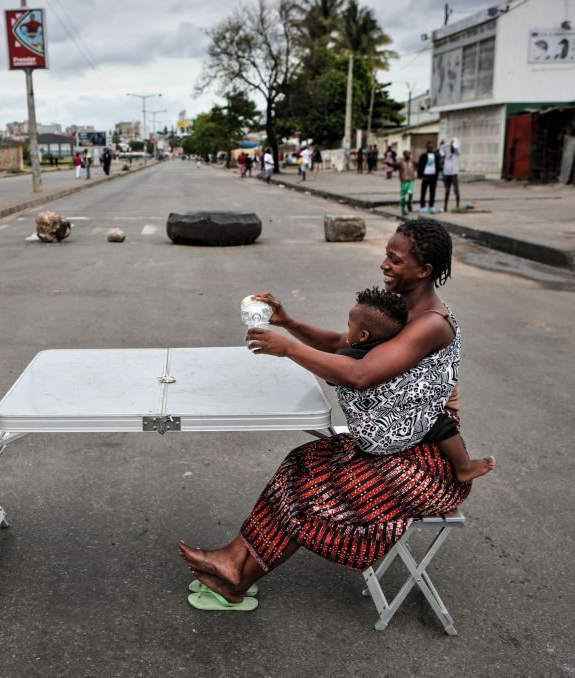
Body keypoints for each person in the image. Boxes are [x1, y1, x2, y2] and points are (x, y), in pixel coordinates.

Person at [178, 219, 474, 608]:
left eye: (395, 260)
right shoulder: (401, 311)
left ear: (424, 271)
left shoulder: (430, 325)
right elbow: (343, 345)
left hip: (425, 463)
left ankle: (238, 578)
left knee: (313, 495)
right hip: (390, 447)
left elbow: (361, 373)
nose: (384, 265)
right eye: (385, 255)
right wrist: (288, 322)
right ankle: (234, 559)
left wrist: (287, 349)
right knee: (298, 464)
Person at [333, 286, 494, 482]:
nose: (347, 331)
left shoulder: (349, 356)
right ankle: (463, 466)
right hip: (390, 430)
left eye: (349, 326)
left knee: (435, 418)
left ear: (363, 336)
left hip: (369, 437)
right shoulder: (389, 352)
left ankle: (463, 467)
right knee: (439, 421)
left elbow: (338, 374)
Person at [416, 141, 442, 213]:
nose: (431, 148)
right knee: (423, 192)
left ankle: (431, 206)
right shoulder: (423, 156)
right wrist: (419, 175)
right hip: (425, 175)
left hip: (433, 176)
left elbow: (438, 165)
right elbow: (420, 166)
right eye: (429, 147)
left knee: (432, 192)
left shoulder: (436, 156)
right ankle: (422, 206)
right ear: (427, 148)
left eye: (432, 147)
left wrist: (437, 174)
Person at [441, 138, 461, 212]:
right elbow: (441, 151)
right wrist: (444, 144)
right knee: (447, 190)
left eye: (452, 146)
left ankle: (457, 205)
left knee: (456, 190)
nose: (451, 147)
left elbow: (456, 147)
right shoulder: (447, 151)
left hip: (454, 173)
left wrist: (453, 144)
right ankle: (445, 206)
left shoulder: (457, 153)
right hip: (446, 173)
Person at [396, 149, 416, 216]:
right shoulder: (400, 162)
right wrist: (387, 163)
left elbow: (419, 164)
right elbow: (393, 165)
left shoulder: (412, 161)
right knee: (403, 196)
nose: (408, 155)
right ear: (404, 155)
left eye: (409, 154)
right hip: (404, 181)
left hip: (411, 180)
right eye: (407, 154)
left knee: (410, 193)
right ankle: (402, 209)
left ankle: (409, 204)